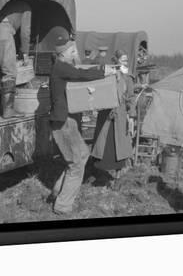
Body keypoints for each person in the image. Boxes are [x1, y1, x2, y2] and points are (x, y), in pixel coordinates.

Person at [48, 27, 114, 214]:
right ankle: (62, 206)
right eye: (73, 51)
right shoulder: (61, 67)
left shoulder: (61, 66)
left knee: (82, 156)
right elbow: (81, 75)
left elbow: (79, 72)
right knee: (76, 164)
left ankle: (57, 192)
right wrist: (104, 70)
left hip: (67, 121)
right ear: (64, 53)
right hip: (64, 122)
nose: (76, 53)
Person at [91, 50, 135, 183]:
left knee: (119, 144)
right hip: (106, 115)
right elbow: (100, 92)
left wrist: (131, 114)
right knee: (104, 142)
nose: (125, 62)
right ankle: (99, 173)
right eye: (123, 59)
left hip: (120, 115)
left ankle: (118, 173)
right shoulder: (108, 74)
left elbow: (130, 97)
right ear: (116, 60)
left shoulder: (128, 78)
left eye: (126, 60)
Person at [0, 0, 31, 118]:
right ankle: (8, 110)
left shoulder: (5, 0)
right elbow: (25, 32)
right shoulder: (26, 7)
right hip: (5, 31)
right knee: (9, 73)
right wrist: (25, 53)